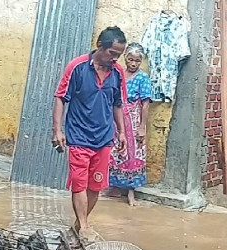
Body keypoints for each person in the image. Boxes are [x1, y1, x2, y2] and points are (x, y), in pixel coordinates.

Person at [52, 26, 127, 237]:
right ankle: (84, 228)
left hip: (104, 138)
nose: (115, 59)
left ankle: (78, 226)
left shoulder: (118, 73)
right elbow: (60, 97)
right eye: (112, 53)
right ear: (99, 46)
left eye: (118, 55)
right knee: (79, 184)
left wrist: (121, 132)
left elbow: (117, 104)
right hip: (78, 137)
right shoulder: (77, 67)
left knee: (96, 185)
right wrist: (57, 130)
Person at [109, 43, 152, 206]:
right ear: (125, 57)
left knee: (133, 154)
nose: (133, 64)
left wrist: (142, 127)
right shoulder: (118, 74)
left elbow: (146, 103)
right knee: (117, 151)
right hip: (117, 117)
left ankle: (131, 192)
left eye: (137, 61)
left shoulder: (143, 78)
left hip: (133, 120)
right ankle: (115, 187)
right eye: (130, 59)